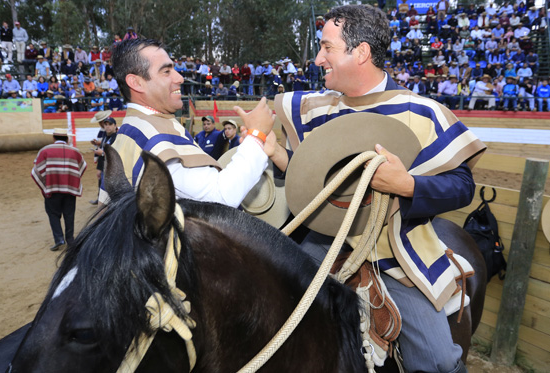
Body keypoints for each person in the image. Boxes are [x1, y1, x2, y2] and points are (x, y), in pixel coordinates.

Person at [269, 5, 484, 373]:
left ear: (362, 52)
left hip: (395, 252)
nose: (318, 58)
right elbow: (307, 175)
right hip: (323, 243)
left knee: (438, 362)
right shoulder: (315, 108)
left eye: (327, 48)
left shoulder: (422, 112)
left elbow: (462, 187)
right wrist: (271, 149)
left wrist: (407, 184)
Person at [98, 38, 276, 208]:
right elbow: (221, 196)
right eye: (166, 71)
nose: (180, 78)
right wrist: (257, 135)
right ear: (136, 82)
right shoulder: (153, 136)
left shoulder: (127, 134)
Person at [31, 128, 87, 251]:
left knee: (53, 214)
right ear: (67, 139)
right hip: (70, 189)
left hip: (52, 188)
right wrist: (72, 180)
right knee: (69, 214)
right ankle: (70, 240)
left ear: (54, 138)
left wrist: (45, 186)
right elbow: (83, 166)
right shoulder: (75, 151)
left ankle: (59, 239)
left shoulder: (45, 150)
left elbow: (36, 171)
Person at [89, 111, 118, 204]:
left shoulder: (116, 137)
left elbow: (115, 153)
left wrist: (102, 153)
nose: (107, 126)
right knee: (102, 181)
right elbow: (103, 146)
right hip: (105, 163)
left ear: (114, 126)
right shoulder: (105, 134)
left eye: (110, 124)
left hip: (111, 165)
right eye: (106, 124)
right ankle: (101, 199)